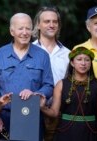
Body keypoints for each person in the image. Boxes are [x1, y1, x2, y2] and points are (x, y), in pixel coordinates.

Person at [0, 13, 54, 139]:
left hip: (32, 115)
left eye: (28, 28)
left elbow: (49, 85)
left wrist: (36, 94)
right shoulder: (0, 54)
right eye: (21, 28)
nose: (25, 33)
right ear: (12, 31)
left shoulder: (42, 55)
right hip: (5, 117)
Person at [40, 47, 97, 141]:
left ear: (90, 63)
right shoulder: (61, 84)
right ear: (72, 63)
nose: (83, 63)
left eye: (87, 60)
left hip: (90, 132)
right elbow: (54, 112)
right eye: (79, 59)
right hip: (65, 132)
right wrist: (43, 108)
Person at [32, 6, 70, 141]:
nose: (51, 25)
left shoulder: (68, 54)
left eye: (55, 22)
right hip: (31, 109)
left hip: (59, 113)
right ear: (38, 25)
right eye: (47, 21)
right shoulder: (29, 51)